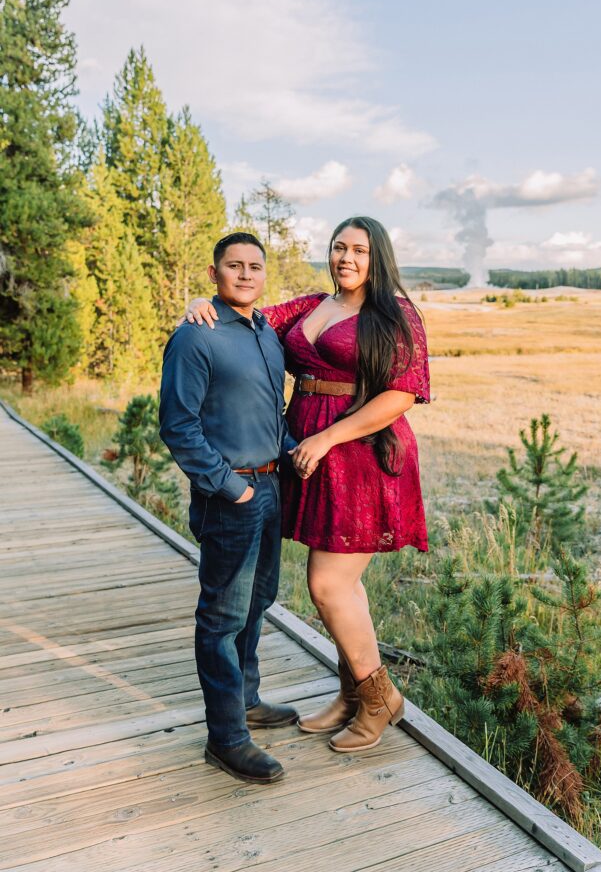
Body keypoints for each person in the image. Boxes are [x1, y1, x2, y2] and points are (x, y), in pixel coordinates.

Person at [185, 216, 430, 754]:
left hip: (361, 455)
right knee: (345, 587)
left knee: (328, 585)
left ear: (378, 256)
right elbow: (246, 315)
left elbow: (401, 395)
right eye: (339, 247)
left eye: (359, 250)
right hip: (310, 458)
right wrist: (202, 304)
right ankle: (351, 695)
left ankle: (380, 699)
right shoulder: (312, 306)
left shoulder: (395, 313)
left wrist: (327, 438)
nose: (347, 258)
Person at [159, 231, 299, 785]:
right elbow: (178, 425)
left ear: (264, 274)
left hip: (270, 487)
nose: (244, 274)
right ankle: (226, 738)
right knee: (221, 618)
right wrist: (228, 486)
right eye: (234, 265)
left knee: (258, 599)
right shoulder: (197, 336)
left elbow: (269, 412)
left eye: (254, 266)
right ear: (214, 273)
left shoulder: (266, 333)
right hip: (230, 495)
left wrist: (291, 452)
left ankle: (246, 700)